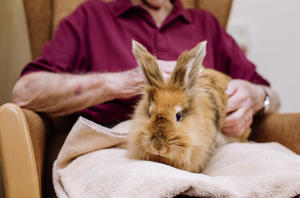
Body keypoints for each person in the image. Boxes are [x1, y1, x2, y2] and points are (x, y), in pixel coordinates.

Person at [12, 0, 280, 137]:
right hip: (116, 152)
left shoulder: (205, 24)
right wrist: (118, 83)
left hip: (207, 157)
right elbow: (25, 92)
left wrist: (257, 97)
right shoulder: (89, 17)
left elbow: (272, 95)